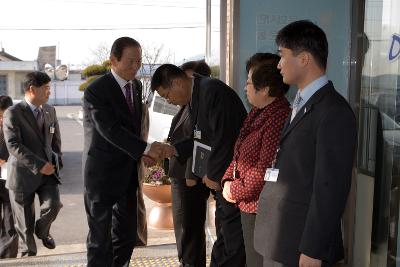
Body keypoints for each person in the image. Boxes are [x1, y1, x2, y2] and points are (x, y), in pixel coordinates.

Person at [253, 20, 357, 267]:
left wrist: (314, 249)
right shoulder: (300, 102)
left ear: (304, 59)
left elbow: (330, 188)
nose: (278, 64)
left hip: (300, 245)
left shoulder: (334, 111)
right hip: (280, 236)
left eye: (282, 55)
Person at [82, 37, 175, 267]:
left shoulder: (136, 86)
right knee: (99, 241)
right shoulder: (96, 90)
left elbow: (133, 129)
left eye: (139, 62)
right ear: (113, 60)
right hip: (101, 177)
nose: (135, 67)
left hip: (128, 174)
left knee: (125, 236)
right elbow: (110, 130)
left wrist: (143, 152)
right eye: (130, 61)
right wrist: (146, 148)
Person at [151, 63, 247, 267]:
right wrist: (173, 149)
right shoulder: (196, 95)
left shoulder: (212, 91)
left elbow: (224, 137)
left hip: (231, 177)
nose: (168, 100)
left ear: (177, 83)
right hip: (221, 179)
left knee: (231, 238)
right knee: (224, 235)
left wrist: (212, 175)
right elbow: (200, 138)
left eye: (167, 95)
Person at [221, 54, 290, 267]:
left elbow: (265, 168)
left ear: (266, 89)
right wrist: (227, 182)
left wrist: (235, 190)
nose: (245, 88)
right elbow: (240, 153)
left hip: (260, 207)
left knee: (258, 261)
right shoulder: (258, 112)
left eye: (249, 83)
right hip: (247, 202)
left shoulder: (278, 117)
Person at [3, 71, 63, 257]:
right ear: (32, 89)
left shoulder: (50, 111)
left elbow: (55, 141)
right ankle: (29, 258)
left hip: (47, 173)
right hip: (22, 175)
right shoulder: (13, 112)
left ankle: (43, 230)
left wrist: (57, 160)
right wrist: (38, 164)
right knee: (25, 229)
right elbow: (13, 144)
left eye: (49, 88)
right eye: (46, 88)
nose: (49, 92)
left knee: (53, 205)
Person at [168, 60, 212, 267]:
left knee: (190, 232)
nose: (180, 85)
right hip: (180, 179)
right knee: (184, 231)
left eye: (185, 79)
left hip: (189, 181)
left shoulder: (201, 107)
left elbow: (200, 142)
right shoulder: (186, 106)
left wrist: (190, 176)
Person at [0, 95, 18, 258]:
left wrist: (4, 157)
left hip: (9, 177)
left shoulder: (16, 124)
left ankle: (8, 255)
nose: (1, 118)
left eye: (3, 115)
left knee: (10, 218)